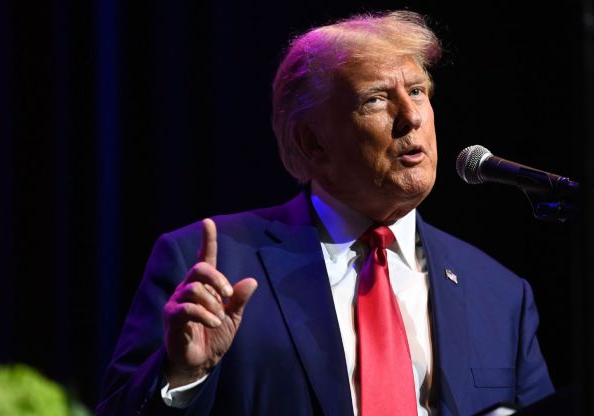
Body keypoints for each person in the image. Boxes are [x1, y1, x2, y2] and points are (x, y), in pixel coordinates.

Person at [97, 10, 554, 416]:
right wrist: (180, 378)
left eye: (417, 91)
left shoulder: (500, 294)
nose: (411, 116)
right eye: (375, 99)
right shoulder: (207, 263)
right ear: (311, 142)